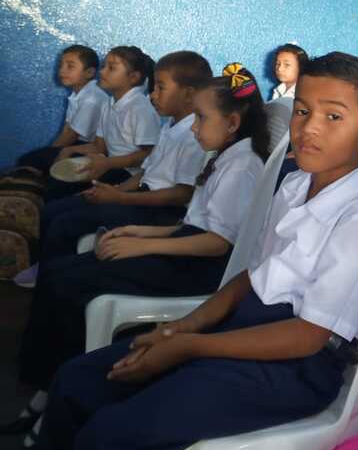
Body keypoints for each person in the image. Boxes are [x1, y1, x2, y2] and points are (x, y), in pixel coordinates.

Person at [24, 52, 358, 450]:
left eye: (333, 116)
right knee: (77, 381)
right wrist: (179, 329)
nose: (309, 127)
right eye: (302, 110)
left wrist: (189, 347)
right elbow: (252, 276)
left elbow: (308, 336)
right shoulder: (296, 183)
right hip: (243, 328)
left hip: (296, 367)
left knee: (110, 439)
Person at [11, 68, 269, 450]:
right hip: (186, 250)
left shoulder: (243, 166)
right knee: (60, 272)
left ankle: (51, 404)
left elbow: (216, 243)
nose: (194, 127)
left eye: (201, 118)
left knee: (71, 285)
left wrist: (144, 247)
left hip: (199, 271)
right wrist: (139, 232)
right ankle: (45, 389)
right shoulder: (225, 156)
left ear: (232, 123)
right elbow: (192, 224)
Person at [12, 51, 212, 289]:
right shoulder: (170, 126)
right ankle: (48, 267)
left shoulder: (193, 135)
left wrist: (120, 197)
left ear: (188, 94)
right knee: (56, 208)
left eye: (160, 88)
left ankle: (50, 273)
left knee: (63, 222)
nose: (152, 94)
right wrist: (113, 191)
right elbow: (146, 173)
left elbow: (181, 194)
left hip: (160, 210)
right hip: (139, 194)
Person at [46, 46, 161, 200]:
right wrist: (68, 150)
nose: (102, 72)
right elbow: (99, 147)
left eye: (111, 68)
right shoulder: (108, 104)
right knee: (56, 181)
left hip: (130, 175)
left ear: (133, 77)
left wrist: (107, 163)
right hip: (109, 165)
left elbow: (147, 156)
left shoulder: (141, 108)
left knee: (61, 195)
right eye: (103, 66)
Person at [16, 45, 107, 174]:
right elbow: (67, 129)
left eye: (70, 66)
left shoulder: (91, 98)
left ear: (89, 73)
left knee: (31, 161)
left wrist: (49, 154)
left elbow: (71, 136)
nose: (62, 71)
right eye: (61, 65)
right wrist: (49, 153)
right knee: (31, 161)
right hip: (79, 144)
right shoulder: (77, 94)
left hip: (93, 150)